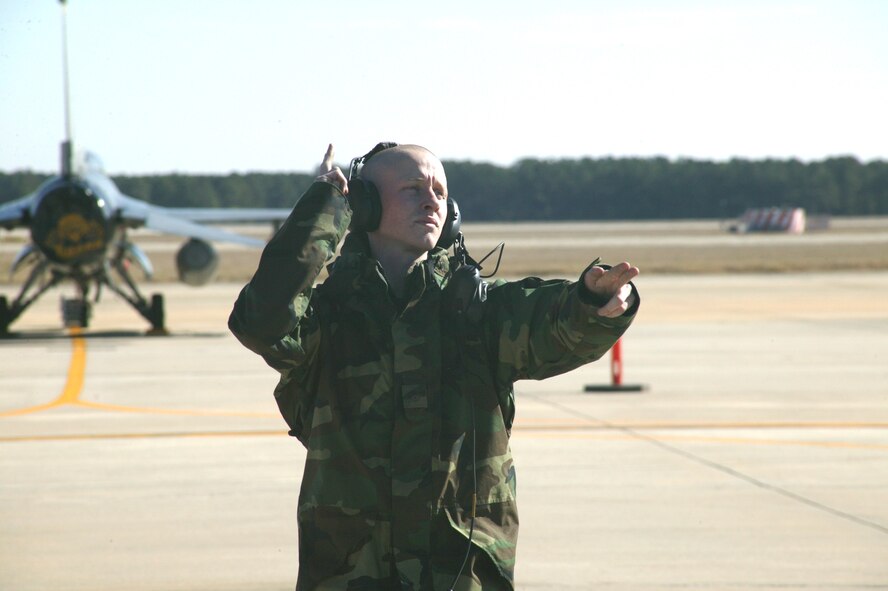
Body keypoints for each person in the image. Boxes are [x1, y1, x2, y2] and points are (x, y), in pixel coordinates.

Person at [228, 143, 639, 591]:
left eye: (440, 192)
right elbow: (261, 321)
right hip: (352, 571)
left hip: (460, 571)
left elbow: (553, 322)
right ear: (364, 205)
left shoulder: (478, 311)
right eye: (412, 188)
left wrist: (592, 302)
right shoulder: (327, 318)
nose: (431, 201)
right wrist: (325, 208)